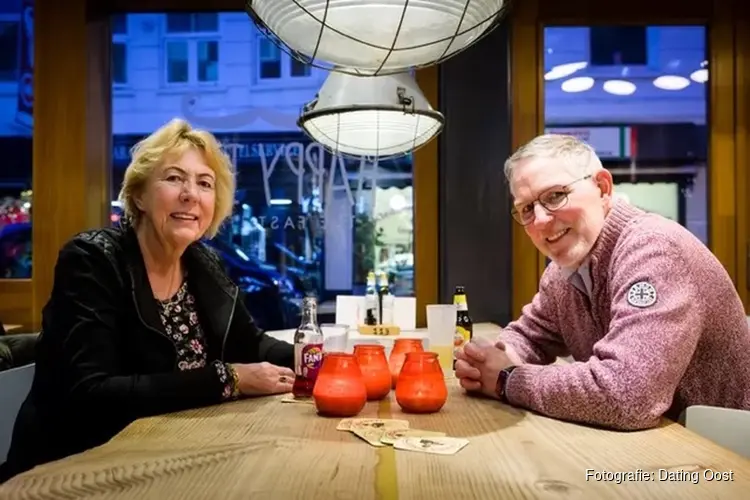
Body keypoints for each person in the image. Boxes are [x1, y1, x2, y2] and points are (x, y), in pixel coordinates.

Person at [1, 119, 296, 481]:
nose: (191, 194)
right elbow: (92, 393)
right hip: (76, 467)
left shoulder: (203, 262)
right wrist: (229, 378)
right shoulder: (92, 259)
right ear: (138, 195)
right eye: (174, 178)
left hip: (175, 454)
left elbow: (251, 345)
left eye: (204, 183)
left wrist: (323, 355)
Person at [455, 134, 750, 431]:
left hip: (724, 454)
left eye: (556, 195)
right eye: (527, 208)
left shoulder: (654, 249)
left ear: (602, 188)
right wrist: (486, 359)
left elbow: (628, 394)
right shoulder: (563, 272)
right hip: (656, 447)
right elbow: (531, 336)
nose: (541, 220)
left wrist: (507, 379)